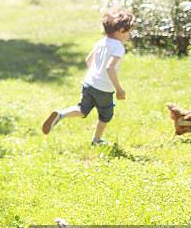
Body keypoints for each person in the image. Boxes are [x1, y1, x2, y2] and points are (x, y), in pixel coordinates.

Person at [42, 8, 135, 144]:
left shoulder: (101, 42)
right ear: (121, 30)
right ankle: (96, 140)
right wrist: (119, 89)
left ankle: (61, 115)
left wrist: (95, 75)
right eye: (129, 31)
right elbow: (110, 68)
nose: (129, 35)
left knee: (82, 110)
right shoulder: (118, 47)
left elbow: (88, 61)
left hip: (89, 83)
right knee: (105, 116)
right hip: (103, 89)